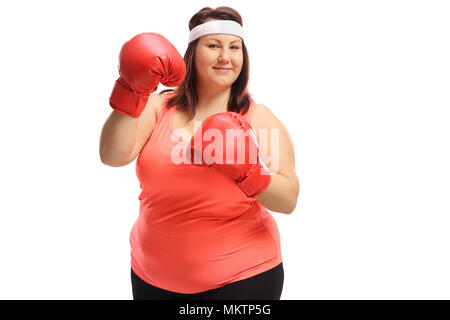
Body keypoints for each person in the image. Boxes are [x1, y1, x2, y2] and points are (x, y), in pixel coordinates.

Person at [99, 6, 299, 300]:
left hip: (243, 279)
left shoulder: (258, 118)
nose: (225, 57)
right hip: (151, 277)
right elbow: (112, 155)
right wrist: (131, 89)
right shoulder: (158, 107)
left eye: (234, 47)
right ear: (192, 53)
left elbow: (289, 198)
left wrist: (248, 172)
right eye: (213, 45)